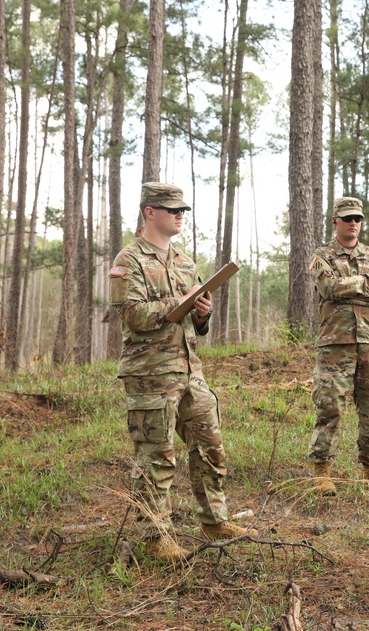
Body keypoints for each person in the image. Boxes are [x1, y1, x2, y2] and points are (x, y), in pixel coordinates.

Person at [109, 182, 254, 563]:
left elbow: (194, 324)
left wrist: (202, 313)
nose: (179, 215)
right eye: (171, 208)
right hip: (150, 374)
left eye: (183, 210)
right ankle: (156, 537)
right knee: (156, 456)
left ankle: (214, 520)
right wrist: (177, 302)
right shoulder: (130, 260)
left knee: (209, 445)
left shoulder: (186, 262)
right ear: (149, 212)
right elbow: (131, 315)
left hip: (190, 370)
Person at [306, 196, 369, 496]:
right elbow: (328, 288)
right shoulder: (322, 255)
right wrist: (363, 282)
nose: (353, 223)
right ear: (335, 221)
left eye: (357, 218)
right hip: (335, 344)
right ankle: (322, 470)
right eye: (347, 218)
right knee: (330, 406)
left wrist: (351, 286)